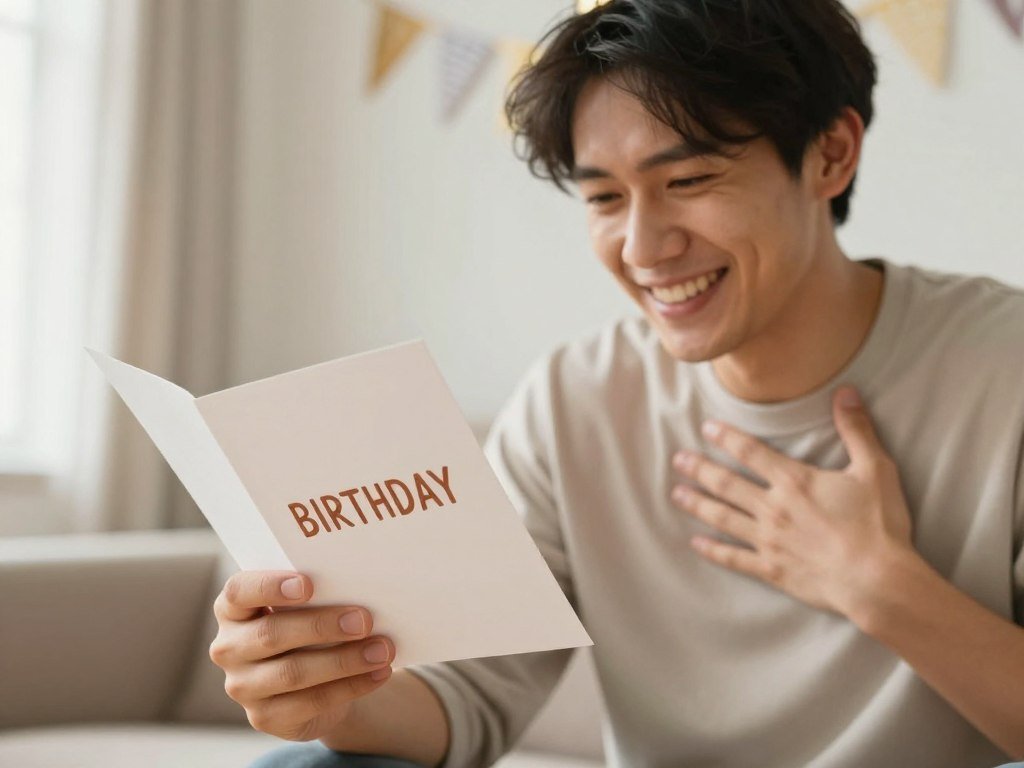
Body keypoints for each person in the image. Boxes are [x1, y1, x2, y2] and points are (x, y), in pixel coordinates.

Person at [211, 1, 1024, 766]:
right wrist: (328, 701)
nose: (643, 247)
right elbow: (468, 699)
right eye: (604, 197)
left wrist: (880, 587)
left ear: (831, 154)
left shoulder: (1004, 369)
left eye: (689, 181)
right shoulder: (575, 401)